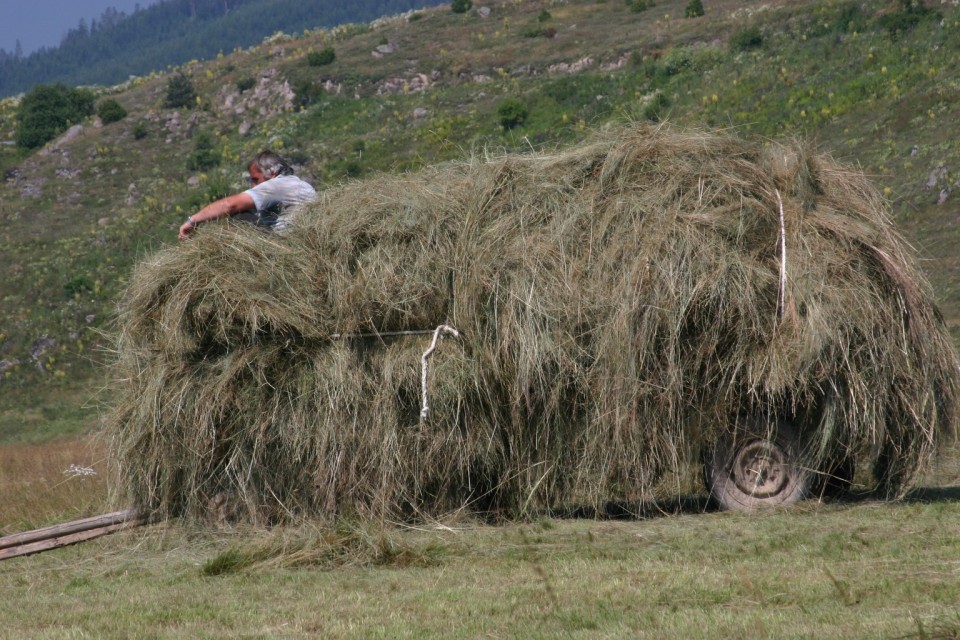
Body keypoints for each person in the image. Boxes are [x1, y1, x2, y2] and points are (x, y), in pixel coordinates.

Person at [178, 150, 316, 239]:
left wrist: (193, 221)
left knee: (239, 215)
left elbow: (229, 205)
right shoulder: (303, 185)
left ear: (272, 173)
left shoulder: (276, 186)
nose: (253, 186)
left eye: (256, 179)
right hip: (303, 241)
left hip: (284, 245)